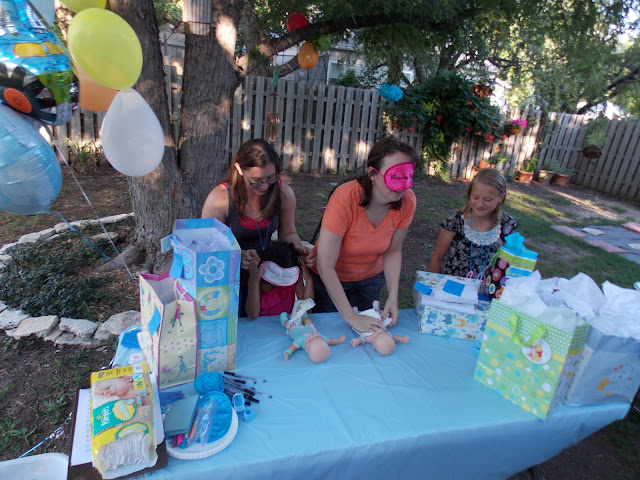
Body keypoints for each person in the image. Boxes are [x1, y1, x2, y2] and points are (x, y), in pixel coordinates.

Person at [312, 136, 418, 334]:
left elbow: (393, 251)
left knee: (368, 337)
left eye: (407, 176)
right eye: (395, 176)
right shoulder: (345, 198)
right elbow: (325, 266)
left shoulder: (408, 201)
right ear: (372, 174)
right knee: (332, 336)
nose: (402, 186)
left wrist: (393, 296)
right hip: (331, 280)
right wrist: (351, 317)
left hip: (370, 278)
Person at [201, 139, 312, 317]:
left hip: (268, 278)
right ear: (239, 169)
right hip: (229, 282)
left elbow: (288, 233)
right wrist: (237, 256)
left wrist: (299, 250)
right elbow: (207, 251)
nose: (265, 186)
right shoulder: (219, 199)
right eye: (256, 180)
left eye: (271, 178)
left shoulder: (283, 193)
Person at [428, 168, 519, 279]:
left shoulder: (507, 226)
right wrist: (433, 284)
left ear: (501, 197)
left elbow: (513, 262)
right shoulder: (454, 223)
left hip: (489, 288)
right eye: (475, 197)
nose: (480, 204)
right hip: (452, 287)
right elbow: (437, 258)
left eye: (488, 200)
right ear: (469, 194)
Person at [245, 240, 314, 319]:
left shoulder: (294, 280)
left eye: (285, 278)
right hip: (262, 325)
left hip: (286, 324)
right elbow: (252, 314)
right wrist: (253, 281)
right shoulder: (259, 280)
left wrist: (309, 280)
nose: (281, 283)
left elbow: (307, 310)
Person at [280, 309, 345, 363]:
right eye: (316, 337)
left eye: (309, 340)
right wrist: (338, 340)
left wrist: (288, 352)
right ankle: (304, 315)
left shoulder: (300, 340)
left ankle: (284, 320)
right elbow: (330, 341)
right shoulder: (322, 339)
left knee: (290, 325)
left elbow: (293, 347)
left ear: (306, 349)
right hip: (309, 329)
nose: (312, 336)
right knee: (308, 320)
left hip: (295, 330)